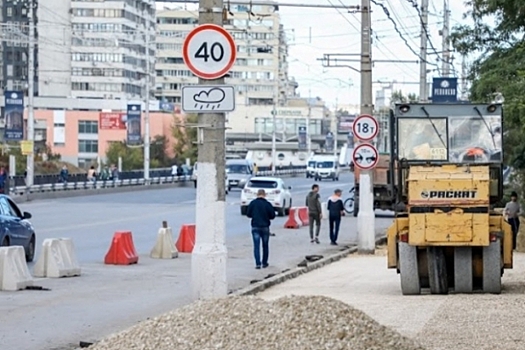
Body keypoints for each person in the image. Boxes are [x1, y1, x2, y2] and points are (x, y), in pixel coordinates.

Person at [246, 189, 276, 269]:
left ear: (257, 194)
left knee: (256, 246)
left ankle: (258, 263)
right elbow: (272, 216)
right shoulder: (267, 204)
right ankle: (265, 262)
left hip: (255, 226)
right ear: (265, 195)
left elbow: (248, 214)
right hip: (265, 227)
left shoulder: (253, 203)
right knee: (265, 245)